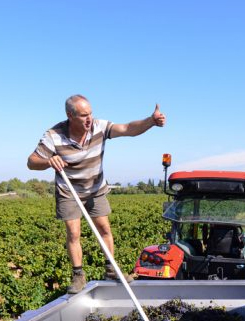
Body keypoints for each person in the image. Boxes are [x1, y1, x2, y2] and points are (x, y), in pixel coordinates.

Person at [27, 94, 166, 293]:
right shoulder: (54, 135)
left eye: (90, 113)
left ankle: (111, 269)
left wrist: (151, 121)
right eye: (83, 115)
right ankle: (78, 275)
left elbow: (128, 129)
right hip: (69, 191)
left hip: (96, 189)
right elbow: (31, 162)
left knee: (104, 229)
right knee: (74, 233)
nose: (89, 118)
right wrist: (49, 161)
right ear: (70, 115)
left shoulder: (99, 127)